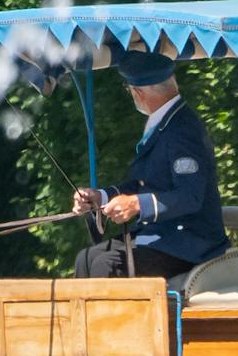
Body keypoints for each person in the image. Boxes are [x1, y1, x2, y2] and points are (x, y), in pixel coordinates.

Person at [71, 49, 226, 279]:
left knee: (106, 265)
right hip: (162, 236)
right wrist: (101, 197)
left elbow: (190, 196)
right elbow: (142, 183)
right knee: (85, 259)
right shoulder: (165, 123)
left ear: (138, 93)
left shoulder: (182, 130)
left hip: (190, 243)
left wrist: (136, 204)